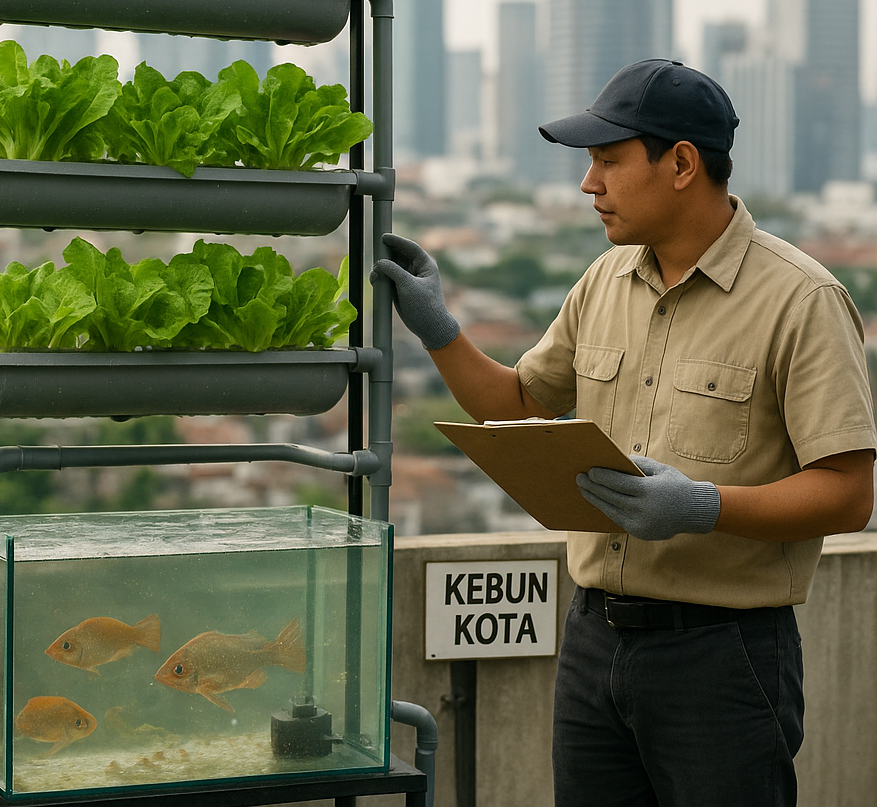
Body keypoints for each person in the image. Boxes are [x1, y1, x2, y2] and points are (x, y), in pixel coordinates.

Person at [371, 58, 876, 807]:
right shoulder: (603, 281)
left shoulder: (801, 300)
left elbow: (849, 495)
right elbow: (519, 404)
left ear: (681, 164)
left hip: (723, 656)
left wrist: (704, 507)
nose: (589, 184)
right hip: (592, 640)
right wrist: (439, 329)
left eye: (609, 161)